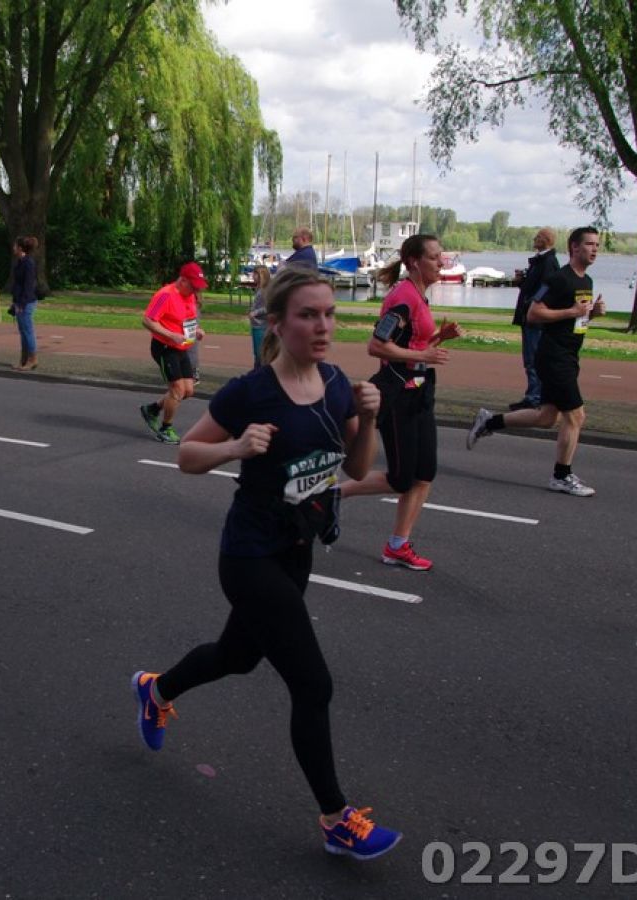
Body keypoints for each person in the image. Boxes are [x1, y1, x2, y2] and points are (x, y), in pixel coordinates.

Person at [130, 266, 401, 863]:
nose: (323, 326)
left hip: (296, 551)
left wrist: (370, 418)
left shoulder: (337, 384)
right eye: (308, 315)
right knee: (313, 683)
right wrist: (234, 447)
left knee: (237, 656)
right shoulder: (250, 391)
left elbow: (358, 469)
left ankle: (156, 689)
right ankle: (336, 819)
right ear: (276, 323)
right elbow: (186, 455)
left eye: (329, 314)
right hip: (249, 556)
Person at [337, 233, 464, 572]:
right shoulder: (403, 297)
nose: (441, 262)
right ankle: (334, 494)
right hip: (399, 395)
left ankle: (397, 545)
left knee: (424, 474)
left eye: (441, 256)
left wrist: (438, 338)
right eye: (434, 257)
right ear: (414, 262)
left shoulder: (419, 295)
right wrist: (423, 355)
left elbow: (412, 344)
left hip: (420, 391)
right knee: (400, 478)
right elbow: (377, 346)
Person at [467, 226, 606, 497]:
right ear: (574, 247)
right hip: (553, 356)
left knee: (546, 417)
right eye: (590, 244)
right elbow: (533, 313)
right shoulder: (559, 278)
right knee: (576, 416)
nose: (594, 250)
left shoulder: (586, 281)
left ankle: (489, 422)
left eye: (597, 245)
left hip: (570, 355)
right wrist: (572, 311)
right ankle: (561, 476)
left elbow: (576, 318)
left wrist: (592, 314)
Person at [138, 262, 207, 443]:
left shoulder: (190, 296)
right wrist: (170, 335)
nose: (196, 291)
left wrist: (196, 331)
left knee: (188, 390)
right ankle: (165, 429)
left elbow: (188, 320)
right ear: (182, 280)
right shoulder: (165, 295)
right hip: (164, 348)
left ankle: (152, 409)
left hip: (182, 347)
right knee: (177, 389)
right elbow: (147, 320)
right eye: (193, 286)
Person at [509, 227, 559, 410]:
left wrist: (532, 303)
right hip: (530, 316)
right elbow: (535, 286)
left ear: (545, 240)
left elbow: (546, 288)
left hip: (535, 319)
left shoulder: (547, 262)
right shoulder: (541, 261)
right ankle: (534, 395)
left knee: (533, 359)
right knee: (530, 359)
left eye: (537, 237)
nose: (534, 239)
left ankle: (535, 398)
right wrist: (522, 282)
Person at [9, 235, 39, 371]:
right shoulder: (20, 262)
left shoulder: (28, 264)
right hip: (20, 301)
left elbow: (28, 286)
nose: (13, 248)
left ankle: (32, 359)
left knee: (27, 331)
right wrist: (15, 302)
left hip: (26, 303)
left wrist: (21, 304)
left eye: (15, 246)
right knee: (23, 332)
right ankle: (24, 360)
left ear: (20, 248)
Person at [247, 264, 271, 367]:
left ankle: (260, 371)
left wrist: (255, 312)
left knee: (260, 354)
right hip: (256, 324)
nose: (253, 276)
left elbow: (268, 307)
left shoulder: (265, 290)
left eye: (255, 274)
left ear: (261, 275)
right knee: (257, 354)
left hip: (261, 325)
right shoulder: (259, 289)